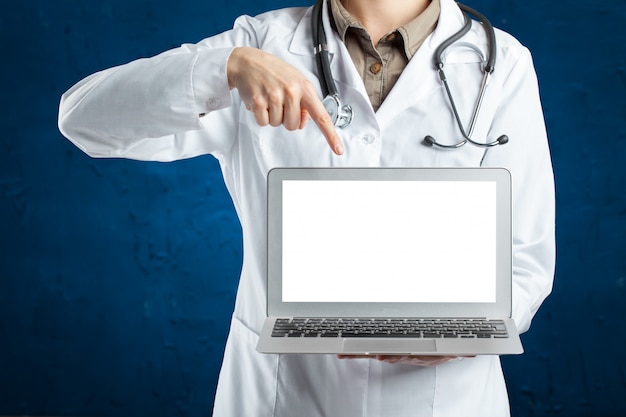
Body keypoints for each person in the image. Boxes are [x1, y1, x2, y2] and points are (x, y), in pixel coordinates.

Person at [58, 0, 555, 415]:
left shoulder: (501, 64)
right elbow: (83, 117)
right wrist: (225, 67)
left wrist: (454, 333)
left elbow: (525, 259)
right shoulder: (260, 45)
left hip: (444, 400)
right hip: (281, 395)